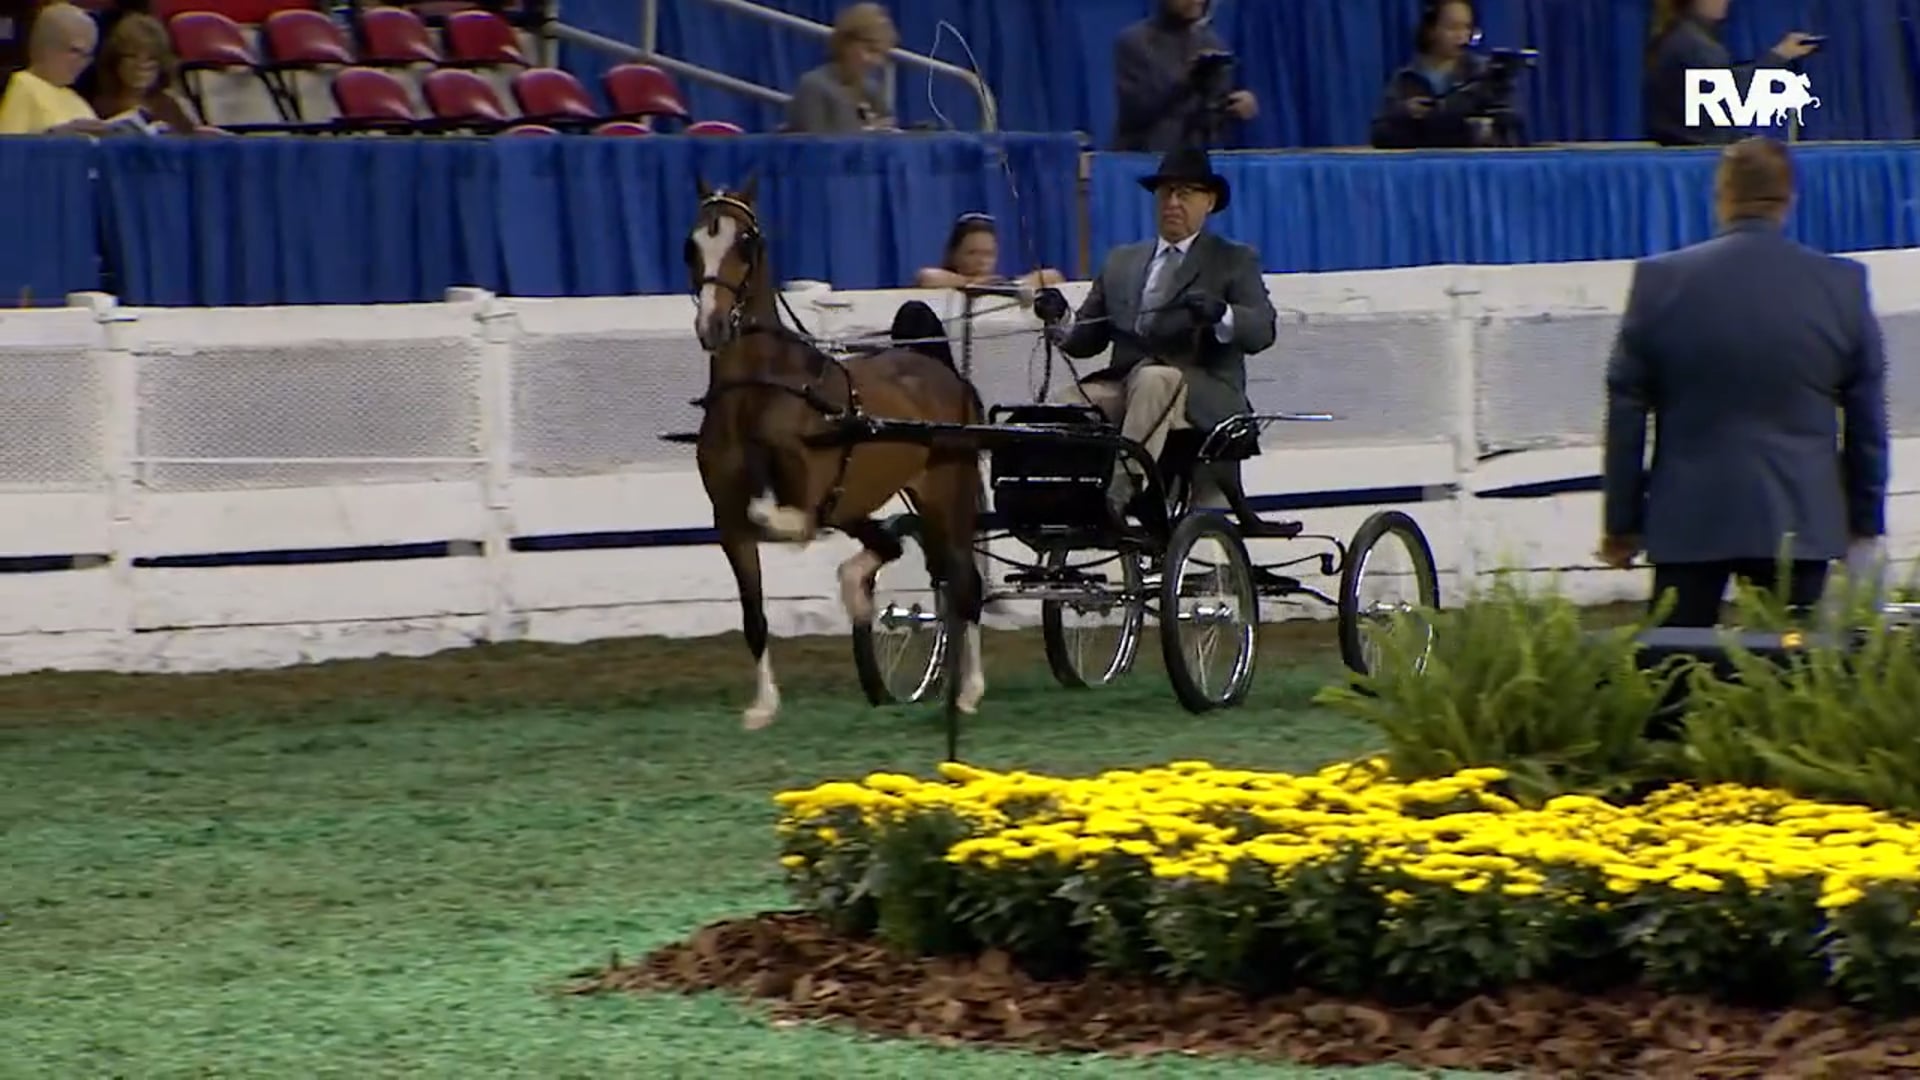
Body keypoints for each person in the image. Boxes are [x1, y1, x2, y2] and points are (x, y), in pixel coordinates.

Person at [1599, 137, 1888, 628]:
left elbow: (1626, 413)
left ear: (1722, 196)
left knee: (1675, 680)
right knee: (1793, 683)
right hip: (1800, 519)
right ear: (1790, 199)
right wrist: (1863, 521)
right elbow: (1866, 420)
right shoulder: (1842, 285)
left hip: (1688, 518)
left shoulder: (1659, 282)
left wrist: (1622, 525)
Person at [1031, 146, 1276, 520]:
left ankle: (1120, 491)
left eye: (1185, 193)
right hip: (1126, 384)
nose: (1173, 202)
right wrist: (1058, 318)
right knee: (1068, 405)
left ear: (1208, 202)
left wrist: (1222, 314)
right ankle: (1057, 501)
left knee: (1154, 379)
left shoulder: (1234, 260)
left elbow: (1262, 330)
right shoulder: (1121, 261)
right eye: (1165, 193)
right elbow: (1086, 339)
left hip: (1202, 390)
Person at [1643, 0, 1818, 146]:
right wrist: (1778, 57)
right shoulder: (1693, 44)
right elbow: (1729, 94)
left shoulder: (1678, 36)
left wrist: (1778, 56)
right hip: (1699, 153)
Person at [1370, 1, 1525, 149]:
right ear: (1430, 30)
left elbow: (1509, 128)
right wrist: (1405, 114)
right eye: (1453, 28)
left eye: (1467, 28)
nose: (1462, 36)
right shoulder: (1406, 79)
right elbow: (1380, 134)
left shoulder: (1486, 75)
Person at [1111, 0, 1256, 153]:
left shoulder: (1211, 42)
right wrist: (1186, 81)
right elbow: (1138, 111)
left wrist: (1234, 106)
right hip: (1148, 158)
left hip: (1201, 159)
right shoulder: (1134, 42)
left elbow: (1212, 111)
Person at [786, 2, 898, 135]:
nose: (876, 62)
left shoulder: (872, 91)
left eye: (882, 55)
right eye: (870, 50)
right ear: (846, 43)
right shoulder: (813, 87)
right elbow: (815, 147)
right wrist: (866, 132)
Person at [0, 2, 106, 136]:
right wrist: (52, 138)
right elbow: (9, 148)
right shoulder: (25, 84)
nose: (83, 63)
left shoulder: (75, 99)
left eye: (88, 55)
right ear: (47, 46)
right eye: (75, 51)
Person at [87, 12, 194, 134]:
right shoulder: (100, 106)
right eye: (132, 56)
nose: (142, 64)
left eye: (151, 58)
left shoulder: (169, 104)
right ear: (116, 61)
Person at [913, 213, 1064, 292]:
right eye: (972, 253)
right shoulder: (944, 283)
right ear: (954, 254)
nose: (981, 261)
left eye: (988, 254)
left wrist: (1010, 286)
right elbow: (926, 278)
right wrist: (975, 284)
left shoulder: (1003, 286)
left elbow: (1053, 276)